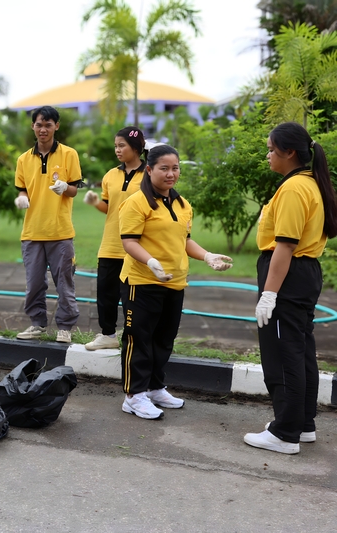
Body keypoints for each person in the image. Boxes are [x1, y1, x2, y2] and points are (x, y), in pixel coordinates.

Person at [119, 144, 232, 420]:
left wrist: (207, 256)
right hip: (142, 281)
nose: (171, 174)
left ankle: (155, 388)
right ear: (149, 169)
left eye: (175, 168)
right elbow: (129, 241)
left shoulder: (182, 205)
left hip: (174, 282)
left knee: (164, 340)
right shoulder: (136, 202)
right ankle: (133, 396)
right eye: (164, 168)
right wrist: (151, 262)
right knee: (139, 339)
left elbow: (186, 241)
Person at [244, 122, 337, 454]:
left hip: (287, 273)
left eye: (271, 149)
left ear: (290, 153)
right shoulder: (309, 183)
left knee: (283, 353)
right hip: (302, 273)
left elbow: (284, 245)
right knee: (299, 350)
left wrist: (269, 294)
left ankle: (285, 432)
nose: (268, 155)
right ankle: (302, 423)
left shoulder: (295, 188)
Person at [13, 106, 82, 343]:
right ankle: (37, 324)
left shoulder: (69, 154)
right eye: (39, 125)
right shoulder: (23, 159)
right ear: (33, 126)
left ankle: (65, 327)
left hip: (60, 231)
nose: (43, 129)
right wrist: (22, 196)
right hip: (32, 231)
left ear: (56, 126)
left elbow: (73, 189)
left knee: (64, 282)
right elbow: (22, 186)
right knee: (33, 283)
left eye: (48, 125)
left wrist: (65, 187)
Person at [83, 126, 147, 351]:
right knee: (105, 294)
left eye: (122, 146)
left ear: (136, 147)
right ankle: (108, 334)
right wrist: (94, 202)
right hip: (110, 244)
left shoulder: (149, 174)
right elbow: (109, 208)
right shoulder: (111, 175)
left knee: (133, 298)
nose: (117, 150)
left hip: (137, 247)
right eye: (116, 146)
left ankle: (134, 338)